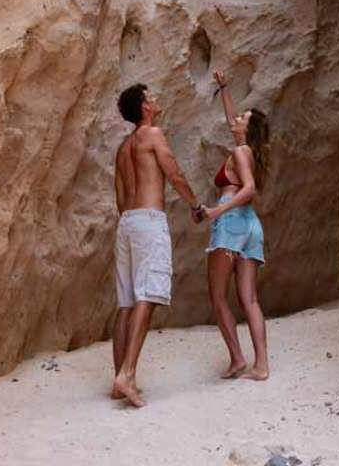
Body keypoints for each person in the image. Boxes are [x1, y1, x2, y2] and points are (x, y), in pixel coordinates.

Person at [112, 82, 205, 407]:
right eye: (151, 96)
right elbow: (174, 173)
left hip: (127, 224)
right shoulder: (152, 135)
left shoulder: (123, 148)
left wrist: (133, 219)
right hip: (149, 221)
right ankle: (128, 375)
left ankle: (117, 378)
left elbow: (120, 199)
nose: (156, 97)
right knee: (148, 296)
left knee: (125, 303)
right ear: (144, 107)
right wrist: (195, 205)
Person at [203, 68, 271, 381]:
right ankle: (262, 366)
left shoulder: (239, 152)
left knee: (218, 296)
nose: (237, 120)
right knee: (250, 299)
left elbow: (248, 190)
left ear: (249, 128)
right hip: (251, 227)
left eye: (243, 117)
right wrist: (224, 88)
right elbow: (230, 121)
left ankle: (237, 360)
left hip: (230, 222)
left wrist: (217, 212)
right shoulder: (250, 151)